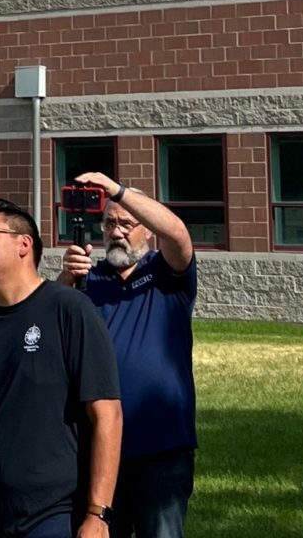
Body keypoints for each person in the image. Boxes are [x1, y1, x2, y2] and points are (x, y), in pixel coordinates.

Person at [0, 197, 122, 538]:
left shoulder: (69, 309)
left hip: (54, 516)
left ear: (24, 244)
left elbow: (108, 415)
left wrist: (97, 513)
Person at [54, 173, 197, 538]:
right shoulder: (89, 280)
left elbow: (178, 234)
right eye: (109, 224)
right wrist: (65, 279)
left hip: (161, 446)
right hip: (99, 448)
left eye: (127, 224)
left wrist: (116, 191)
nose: (116, 232)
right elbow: (51, 321)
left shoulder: (167, 274)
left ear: (147, 230)